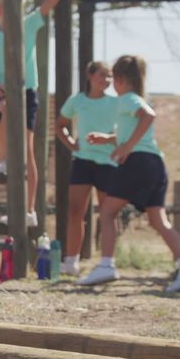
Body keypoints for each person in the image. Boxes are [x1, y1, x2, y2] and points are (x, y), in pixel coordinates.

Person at [76, 55, 180, 292]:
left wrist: (126, 147)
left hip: (138, 162)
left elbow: (148, 116)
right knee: (157, 219)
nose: (112, 84)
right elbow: (135, 129)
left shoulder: (128, 99)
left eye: (114, 78)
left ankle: (106, 265)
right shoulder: (132, 99)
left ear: (122, 79)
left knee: (106, 212)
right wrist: (110, 139)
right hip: (154, 163)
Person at [0, 0, 79, 228]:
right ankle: (3, 160)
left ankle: (30, 209)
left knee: (28, 150)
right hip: (4, 89)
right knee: (3, 112)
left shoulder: (30, 23)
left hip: (27, 89)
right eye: (3, 7)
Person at [54, 61, 118, 276]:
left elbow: (127, 133)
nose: (106, 80)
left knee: (108, 214)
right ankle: (72, 261)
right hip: (82, 162)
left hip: (108, 163)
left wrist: (108, 140)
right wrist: (71, 143)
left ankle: (107, 262)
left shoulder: (116, 103)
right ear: (89, 76)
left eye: (109, 76)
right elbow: (60, 124)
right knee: (75, 212)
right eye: (102, 75)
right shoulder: (77, 100)